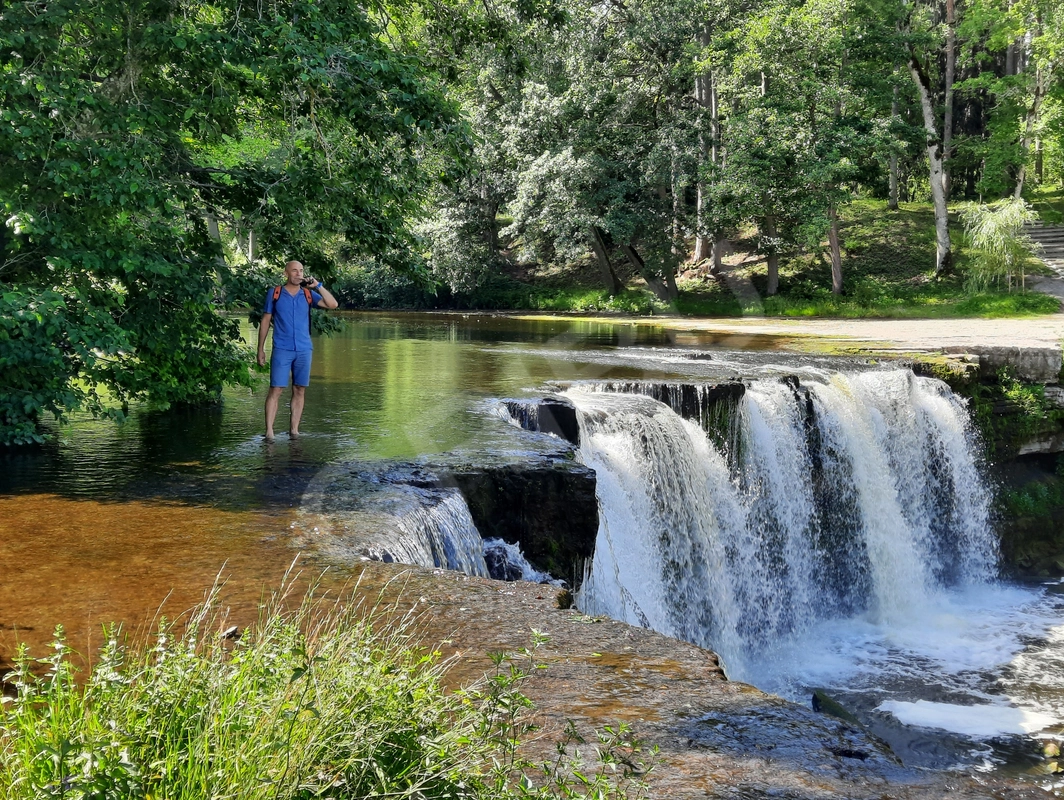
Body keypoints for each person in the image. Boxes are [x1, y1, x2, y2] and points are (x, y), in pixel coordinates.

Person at [257, 260, 338, 439]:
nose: (298, 274)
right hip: (282, 348)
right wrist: (260, 349)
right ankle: (269, 433)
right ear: (286, 273)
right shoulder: (275, 293)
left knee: (300, 389)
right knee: (276, 389)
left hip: (304, 349)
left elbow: (333, 304)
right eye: (294, 271)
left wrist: (318, 285)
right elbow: (265, 322)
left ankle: (294, 431)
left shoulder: (308, 295)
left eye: (301, 271)